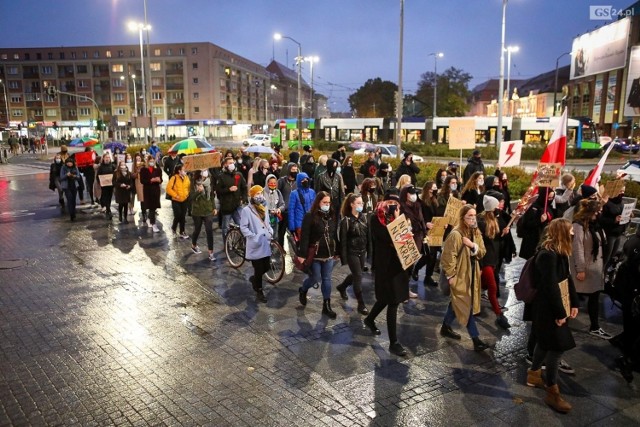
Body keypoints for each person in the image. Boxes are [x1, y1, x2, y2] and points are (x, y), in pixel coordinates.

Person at [527, 218, 579, 414]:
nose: (573, 233)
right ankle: (552, 391)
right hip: (547, 309)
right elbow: (549, 286)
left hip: (556, 306)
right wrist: (560, 313)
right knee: (556, 348)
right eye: (571, 230)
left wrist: (573, 302)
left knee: (544, 342)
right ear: (561, 232)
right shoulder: (547, 255)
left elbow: (567, 278)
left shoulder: (560, 251)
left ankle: (533, 375)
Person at [362, 198, 411, 357]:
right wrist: (398, 221)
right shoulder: (376, 220)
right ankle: (393, 342)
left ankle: (369, 319)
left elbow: (405, 240)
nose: (393, 208)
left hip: (399, 264)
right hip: (386, 266)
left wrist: (401, 222)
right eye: (391, 206)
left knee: (385, 298)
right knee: (393, 301)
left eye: (396, 206)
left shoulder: (397, 218)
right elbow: (389, 238)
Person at [439, 204, 490, 352]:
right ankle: (476, 340)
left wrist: (472, 246)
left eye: (474, 216)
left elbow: (482, 252)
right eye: (470, 216)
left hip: (473, 273)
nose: (473, 219)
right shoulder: (456, 234)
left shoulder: (476, 232)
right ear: (462, 218)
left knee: (458, 301)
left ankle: (445, 326)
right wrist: (451, 276)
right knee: (465, 304)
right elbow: (448, 257)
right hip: (460, 275)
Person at [571, 199, 611, 339]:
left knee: (594, 296)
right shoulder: (578, 226)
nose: (599, 214)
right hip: (585, 268)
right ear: (589, 213)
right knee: (573, 296)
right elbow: (577, 249)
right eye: (597, 212)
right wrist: (580, 269)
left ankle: (594, 326)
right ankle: (560, 322)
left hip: (595, 268)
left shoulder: (596, 225)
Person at [297, 191, 340, 319]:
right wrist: (302, 254)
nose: (327, 205)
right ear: (318, 203)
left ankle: (326, 305)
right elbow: (305, 236)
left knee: (326, 279)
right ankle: (303, 289)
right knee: (315, 278)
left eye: (328, 202)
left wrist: (337, 251)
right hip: (315, 254)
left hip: (328, 253)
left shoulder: (331, 216)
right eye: (324, 202)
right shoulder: (310, 216)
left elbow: (333, 235)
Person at [477, 195, 510, 329]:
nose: (499, 208)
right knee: (492, 287)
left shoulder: (492, 220)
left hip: (492, 258)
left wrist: (503, 233)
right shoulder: (482, 222)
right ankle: (498, 314)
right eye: (497, 206)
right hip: (485, 260)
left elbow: (494, 238)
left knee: (484, 285)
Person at [336, 193, 369, 314]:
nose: (361, 205)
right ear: (352, 204)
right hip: (352, 252)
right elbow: (343, 241)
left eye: (362, 203)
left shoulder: (364, 218)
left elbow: (368, 236)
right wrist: (343, 258)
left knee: (356, 274)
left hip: (362, 250)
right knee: (358, 276)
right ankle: (361, 303)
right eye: (359, 203)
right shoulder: (346, 221)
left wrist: (369, 252)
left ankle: (342, 287)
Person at [240, 185, 274, 303]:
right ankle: (259, 290)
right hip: (255, 244)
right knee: (259, 269)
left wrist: (270, 231)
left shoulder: (264, 207)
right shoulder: (246, 210)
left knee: (266, 267)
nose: (259, 196)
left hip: (265, 242)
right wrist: (253, 236)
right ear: (252, 196)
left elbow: (267, 223)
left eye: (260, 193)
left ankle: (254, 279)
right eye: (257, 194)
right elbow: (243, 227)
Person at [399, 184, 426, 299]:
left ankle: (405, 289)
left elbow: (421, 220)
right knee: (405, 266)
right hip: (407, 239)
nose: (413, 196)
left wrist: (425, 234)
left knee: (411, 265)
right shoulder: (401, 207)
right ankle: (403, 290)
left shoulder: (417, 205)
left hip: (418, 238)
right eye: (411, 193)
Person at [216, 157, 248, 240]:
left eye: (232, 162)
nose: (232, 164)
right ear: (225, 164)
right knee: (225, 227)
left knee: (241, 225)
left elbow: (244, 188)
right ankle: (227, 244)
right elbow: (218, 191)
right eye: (229, 163)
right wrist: (228, 190)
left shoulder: (239, 175)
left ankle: (240, 242)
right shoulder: (221, 176)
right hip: (226, 207)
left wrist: (243, 199)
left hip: (237, 205)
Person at [519, 187, 555, 260]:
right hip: (533, 241)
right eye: (548, 198)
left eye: (552, 198)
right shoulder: (533, 208)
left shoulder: (549, 207)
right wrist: (539, 221)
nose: (550, 200)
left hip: (544, 239)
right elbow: (526, 224)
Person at [190, 169, 217, 260]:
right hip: (197, 211)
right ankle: (194, 245)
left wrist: (214, 207)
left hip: (208, 210)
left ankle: (211, 252)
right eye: (203, 170)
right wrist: (198, 191)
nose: (205, 172)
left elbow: (212, 196)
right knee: (197, 229)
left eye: (206, 170)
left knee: (209, 230)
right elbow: (191, 197)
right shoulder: (193, 182)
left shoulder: (209, 181)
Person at [600, 183, 627, 267]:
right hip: (609, 234)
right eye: (620, 191)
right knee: (605, 258)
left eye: (623, 191)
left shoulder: (622, 203)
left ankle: (606, 274)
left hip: (618, 234)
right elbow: (601, 219)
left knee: (611, 257)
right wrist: (614, 220)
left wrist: (628, 217)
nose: (622, 193)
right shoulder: (606, 202)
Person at [419, 181, 440, 287]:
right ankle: (417, 268)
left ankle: (428, 276)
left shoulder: (434, 201)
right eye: (434, 187)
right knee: (429, 254)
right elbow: (420, 215)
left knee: (433, 254)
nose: (436, 189)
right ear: (429, 189)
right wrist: (425, 223)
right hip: (426, 231)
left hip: (435, 230)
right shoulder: (422, 201)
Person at [166, 164, 191, 238]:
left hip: (184, 200)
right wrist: (175, 195)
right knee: (178, 215)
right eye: (183, 169)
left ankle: (182, 231)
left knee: (183, 216)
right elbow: (168, 189)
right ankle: (174, 227)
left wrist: (187, 194)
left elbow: (189, 187)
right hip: (176, 200)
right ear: (179, 171)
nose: (185, 171)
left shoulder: (186, 177)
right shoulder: (174, 178)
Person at [288, 171, 315, 239]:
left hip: (311, 223)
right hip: (299, 224)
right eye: (303, 180)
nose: (305, 181)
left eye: (306, 179)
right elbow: (291, 210)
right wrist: (292, 226)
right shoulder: (294, 194)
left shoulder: (312, 192)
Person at [139, 155, 163, 233]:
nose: (152, 162)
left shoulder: (158, 169)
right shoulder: (143, 170)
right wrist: (150, 180)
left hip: (156, 190)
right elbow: (142, 181)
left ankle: (150, 218)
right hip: (148, 190)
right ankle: (153, 224)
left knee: (154, 207)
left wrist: (158, 180)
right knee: (151, 207)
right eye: (150, 160)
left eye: (153, 160)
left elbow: (161, 179)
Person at [277, 163, 298, 246]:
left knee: (294, 231)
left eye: (296, 170)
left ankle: (296, 248)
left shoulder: (297, 182)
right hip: (284, 210)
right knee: (281, 232)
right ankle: (280, 248)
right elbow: (277, 194)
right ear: (289, 170)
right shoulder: (282, 181)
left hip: (294, 210)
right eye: (293, 170)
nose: (295, 172)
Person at [263, 174, 285, 243]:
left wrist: (279, 209)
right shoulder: (262, 192)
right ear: (267, 183)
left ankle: (273, 250)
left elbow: (282, 204)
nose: (273, 185)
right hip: (264, 218)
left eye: (274, 183)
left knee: (274, 236)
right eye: (271, 183)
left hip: (274, 218)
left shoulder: (278, 192)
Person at [60, 157, 81, 221]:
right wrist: (66, 175)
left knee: (73, 200)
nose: (69, 164)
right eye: (68, 163)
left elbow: (78, 176)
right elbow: (61, 177)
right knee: (69, 199)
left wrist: (74, 176)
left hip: (74, 185)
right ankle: (71, 214)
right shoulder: (63, 167)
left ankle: (73, 212)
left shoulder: (75, 167)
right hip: (66, 186)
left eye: (70, 163)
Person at [96, 152, 116, 219]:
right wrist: (100, 182)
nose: (107, 159)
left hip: (111, 185)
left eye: (108, 157)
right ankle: (108, 210)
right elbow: (98, 176)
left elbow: (115, 174)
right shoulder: (101, 167)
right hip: (104, 185)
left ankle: (108, 208)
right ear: (103, 158)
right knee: (105, 196)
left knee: (110, 197)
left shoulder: (112, 166)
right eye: (106, 157)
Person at [132, 153, 147, 224]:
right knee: (142, 199)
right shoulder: (134, 165)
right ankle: (144, 213)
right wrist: (137, 172)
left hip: (146, 182)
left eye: (139, 158)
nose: (138, 160)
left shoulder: (144, 164)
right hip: (138, 182)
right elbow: (132, 175)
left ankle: (147, 211)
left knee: (147, 198)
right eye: (137, 159)